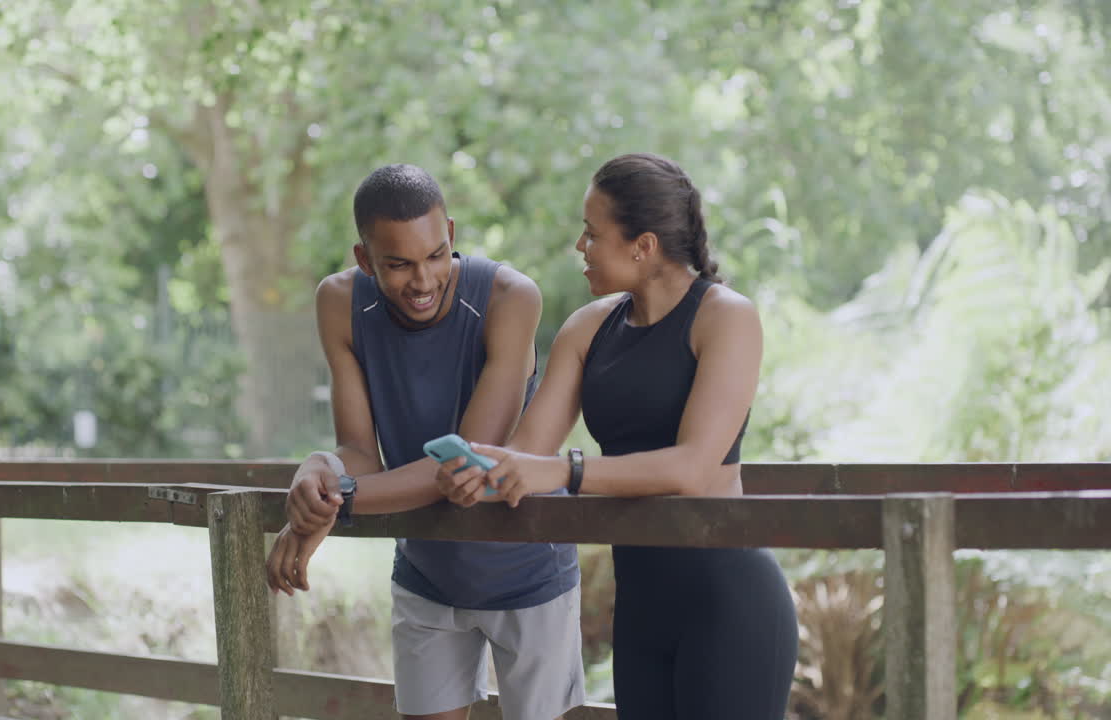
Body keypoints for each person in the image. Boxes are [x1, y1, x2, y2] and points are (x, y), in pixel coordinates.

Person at [439, 153, 798, 719]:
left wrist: (564, 470)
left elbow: (692, 468)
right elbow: (528, 456)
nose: (580, 248)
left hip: (729, 599)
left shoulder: (725, 317)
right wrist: (482, 474)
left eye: (591, 234)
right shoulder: (588, 328)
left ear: (643, 245)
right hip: (641, 605)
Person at [264, 164, 584, 720]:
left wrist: (331, 504)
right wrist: (319, 472)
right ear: (365, 259)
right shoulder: (339, 301)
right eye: (399, 264)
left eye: (436, 255)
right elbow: (359, 451)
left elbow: (466, 460)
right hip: (426, 572)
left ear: (452, 234)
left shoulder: (512, 297)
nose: (424, 280)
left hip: (528, 572)